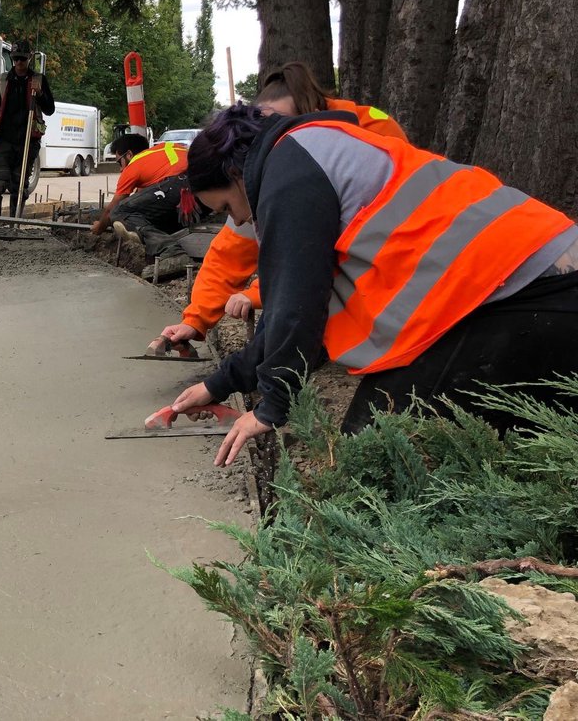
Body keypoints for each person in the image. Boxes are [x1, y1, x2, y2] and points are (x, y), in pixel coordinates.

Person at [171, 102, 578, 467]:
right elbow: (296, 313)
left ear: (236, 173)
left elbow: (296, 310)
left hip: (517, 289)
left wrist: (270, 409)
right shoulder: (312, 149)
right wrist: (218, 384)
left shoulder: (287, 173)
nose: (238, 220)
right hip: (535, 277)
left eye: (227, 206)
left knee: (373, 459)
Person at [156, 61, 410, 348]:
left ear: (309, 117)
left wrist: (259, 294)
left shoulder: (373, 133)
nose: (267, 140)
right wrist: (195, 320)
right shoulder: (261, 171)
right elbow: (232, 250)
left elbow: (312, 267)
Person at [0, 41, 55, 218]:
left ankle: (14, 222)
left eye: (22, 59)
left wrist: (41, 94)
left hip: (28, 141)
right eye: (16, 59)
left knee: (19, 185)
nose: (19, 63)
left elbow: (50, 109)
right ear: (12, 59)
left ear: (28, 59)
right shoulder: (2, 80)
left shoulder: (39, 80)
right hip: (4, 140)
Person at [89, 133, 199, 259]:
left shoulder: (134, 165)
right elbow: (142, 199)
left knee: (120, 211)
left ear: (129, 154)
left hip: (182, 186)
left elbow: (112, 210)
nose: (120, 169)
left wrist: (100, 226)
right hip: (208, 191)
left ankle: (171, 252)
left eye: (120, 162)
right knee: (145, 213)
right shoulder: (166, 150)